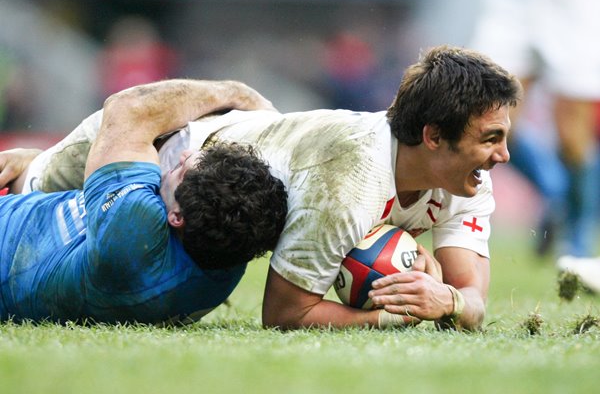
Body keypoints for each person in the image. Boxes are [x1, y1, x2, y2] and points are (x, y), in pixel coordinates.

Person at [1, 45, 521, 331]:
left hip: (232, 167)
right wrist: (390, 316)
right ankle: (35, 167)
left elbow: (473, 300)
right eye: (491, 138)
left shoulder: (467, 177)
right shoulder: (348, 184)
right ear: (433, 138)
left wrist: (447, 301)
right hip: (171, 144)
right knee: (19, 186)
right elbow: (286, 314)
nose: (504, 155)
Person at [0, 79, 288, 324]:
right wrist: (34, 163)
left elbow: (129, 108)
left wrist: (236, 93)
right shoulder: (225, 261)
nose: (183, 156)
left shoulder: (134, 227)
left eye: (179, 170)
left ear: (177, 216)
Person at [470, 0, 600, 275]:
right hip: (514, 4)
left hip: (573, 5)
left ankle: (576, 245)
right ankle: (555, 193)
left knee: (574, 137)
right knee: (491, 119)